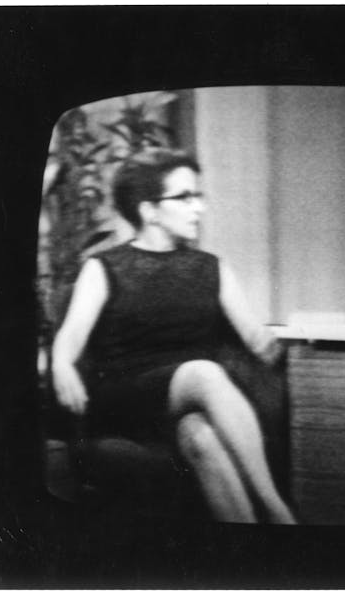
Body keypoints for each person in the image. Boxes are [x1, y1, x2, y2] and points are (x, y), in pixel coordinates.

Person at [51, 147, 296, 524]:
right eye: (185, 198)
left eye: (199, 196)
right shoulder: (104, 267)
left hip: (190, 401)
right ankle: (278, 510)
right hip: (125, 396)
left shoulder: (211, 267)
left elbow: (253, 334)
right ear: (149, 211)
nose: (199, 207)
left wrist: (282, 348)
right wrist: (61, 362)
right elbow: (72, 335)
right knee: (204, 373)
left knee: (202, 438)